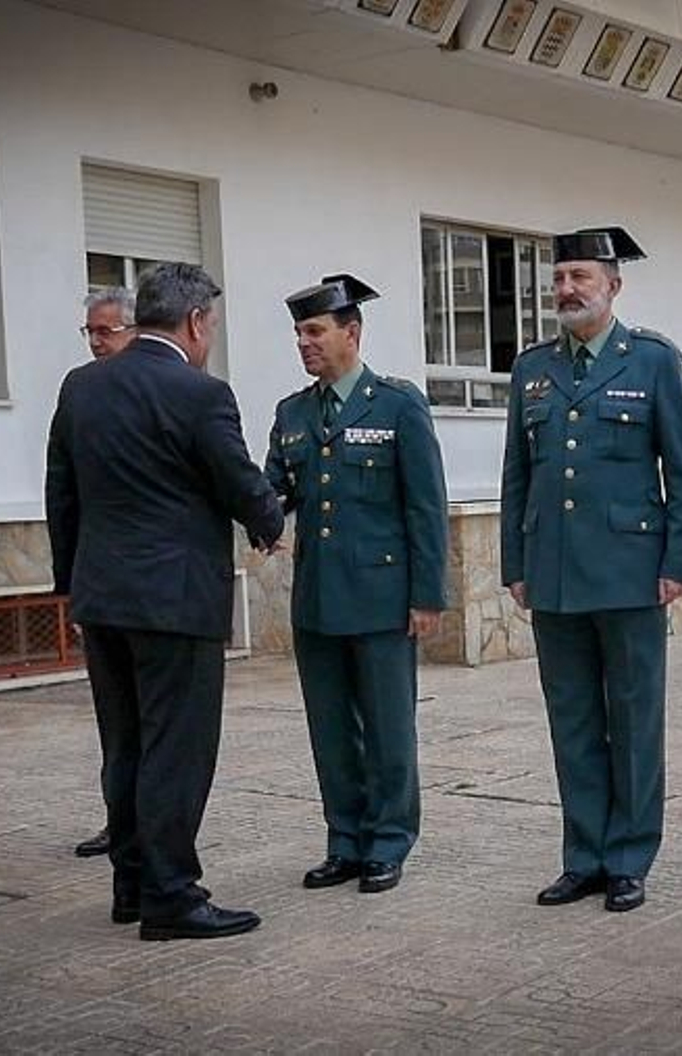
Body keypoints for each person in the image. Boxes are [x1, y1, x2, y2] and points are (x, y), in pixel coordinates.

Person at [45, 262, 284, 940]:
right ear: (195, 321)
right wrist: (269, 522)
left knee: (124, 746)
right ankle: (172, 896)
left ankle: (131, 885)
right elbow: (236, 479)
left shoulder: (82, 387)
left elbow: (59, 490)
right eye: (212, 325)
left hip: (103, 599)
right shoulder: (199, 392)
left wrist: (72, 582)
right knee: (175, 750)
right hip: (174, 602)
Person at [500, 226, 682, 913]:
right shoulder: (532, 369)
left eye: (580, 278)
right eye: (559, 279)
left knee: (635, 716)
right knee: (575, 721)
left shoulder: (650, 361)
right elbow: (517, 476)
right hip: (554, 571)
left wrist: (679, 563)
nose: (566, 290)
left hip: (630, 570)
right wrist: (515, 563)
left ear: (612, 286)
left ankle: (629, 857)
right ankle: (583, 856)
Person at [264, 274, 448, 895]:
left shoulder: (397, 405)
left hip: (382, 601)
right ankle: (344, 840)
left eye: (315, 331)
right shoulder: (291, 412)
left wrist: (427, 596)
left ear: (352, 332)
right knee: (332, 732)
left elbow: (425, 506)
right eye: (298, 333)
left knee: (389, 728)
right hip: (316, 600)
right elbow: (272, 491)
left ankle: (389, 842)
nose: (304, 343)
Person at [70, 287, 137, 860]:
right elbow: (60, 487)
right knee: (114, 721)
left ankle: (149, 833)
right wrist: (68, 585)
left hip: (160, 592)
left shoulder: (170, 389)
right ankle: (119, 823)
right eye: (90, 331)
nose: (96, 341)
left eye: (106, 331)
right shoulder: (80, 391)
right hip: (100, 588)